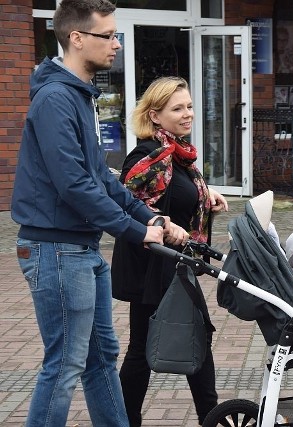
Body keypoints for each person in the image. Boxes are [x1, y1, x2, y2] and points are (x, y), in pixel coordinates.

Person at [10, 1, 185, 425]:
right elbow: (73, 184)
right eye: (107, 36)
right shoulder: (55, 99)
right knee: (65, 365)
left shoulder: (78, 95)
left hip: (80, 249)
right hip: (56, 249)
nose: (116, 44)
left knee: (100, 358)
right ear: (76, 38)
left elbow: (102, 179)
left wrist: (148, 218)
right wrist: (133, 230)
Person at [111, 76, 228, 426]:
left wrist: (208, 196)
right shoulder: (146, 155)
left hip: (174, 263)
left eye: (190, 106)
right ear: (155, 115)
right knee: (171, 343)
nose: (187, 113)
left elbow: (175, 194)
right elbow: (127, 204)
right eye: (178, 108)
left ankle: (126, 418)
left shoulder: (177, 154)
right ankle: (212, 417)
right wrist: (161, 222)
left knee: (150, 348)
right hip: (153, 265)